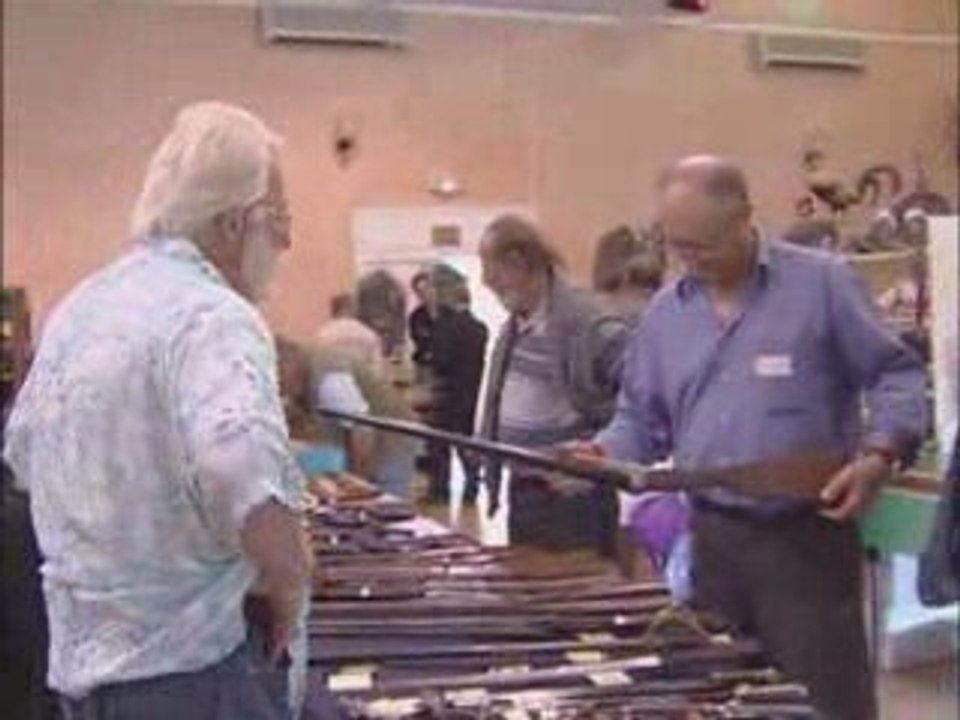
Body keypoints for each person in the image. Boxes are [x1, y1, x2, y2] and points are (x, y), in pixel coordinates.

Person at [3, 102, 319, 720]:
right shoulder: (213, 315)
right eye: (278, 218)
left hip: (86, 679)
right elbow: (240, 471)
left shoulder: (81, 309)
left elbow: (23, 456)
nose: (286, 241)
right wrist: (290, 579)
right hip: (193, 673)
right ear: (234, 223)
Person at [586, 155, 926, 720]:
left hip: (806, 541)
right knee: (723, 698)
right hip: (713, 542)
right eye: (678, 247)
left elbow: (897, 374)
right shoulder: (666, 315)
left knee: (824, 703)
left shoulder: (822, 284)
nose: (690, 261)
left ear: (745, 216)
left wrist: (879, 453)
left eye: (703, 246)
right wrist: (602, 452)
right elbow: (640, 420)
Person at [478, 215, 628, 556]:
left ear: (518, 261)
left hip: (575, 498)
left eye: (492, 271)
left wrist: (599, 454)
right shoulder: (516, 324)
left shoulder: (587, 321)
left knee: (577, 584)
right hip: (526, 492)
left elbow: (640, 399)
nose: (486, 282)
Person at [429, 282, 488, 504]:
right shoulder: (480, 328)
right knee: (465, 441)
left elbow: (441, 360)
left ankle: (440, 490)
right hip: (471, 390)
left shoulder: (447, 327)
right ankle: (472, 486)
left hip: (447, 391)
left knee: (439, 443)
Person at [316, 293, 384, 374]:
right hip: (361, 378)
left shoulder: (324, 334)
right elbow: (376, 367)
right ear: (352, 309)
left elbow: (319, 364)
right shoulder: (368, 334)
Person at [407, 270, 436, 383]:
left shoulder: (448, 314)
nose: (424, 294)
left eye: (426, 288)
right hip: (423, 366)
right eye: (419, 291)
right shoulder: (415, 316)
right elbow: (418, 340)